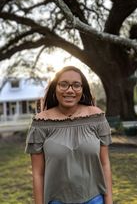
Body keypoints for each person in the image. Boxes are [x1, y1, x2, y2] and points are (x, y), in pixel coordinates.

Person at [25, 66, 113, 204]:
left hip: (94, 199)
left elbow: (105, 164)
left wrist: (108, 202)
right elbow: (38, 174)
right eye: (63, 84)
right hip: (56, 201)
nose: (70, 90)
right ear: (55, 87)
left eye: (76, 85)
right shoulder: (40, 123)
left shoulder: (97, 117)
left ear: (82, 89)